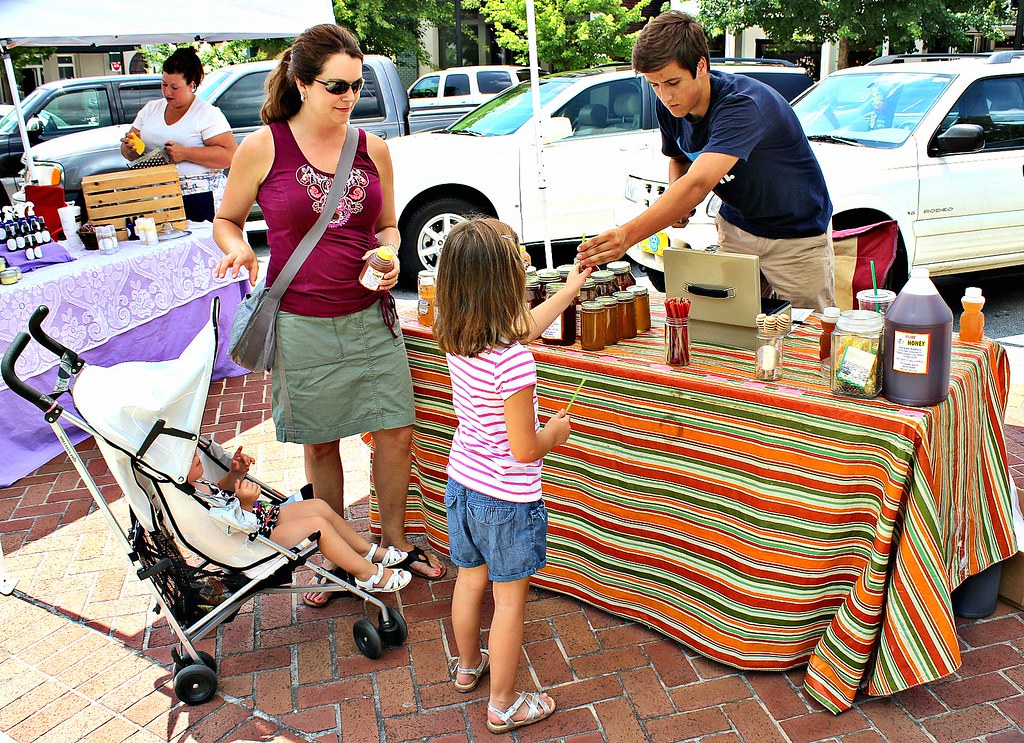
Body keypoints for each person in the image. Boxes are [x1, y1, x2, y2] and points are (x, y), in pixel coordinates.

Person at [213, 24, 446, 608]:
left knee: (394, 431)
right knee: (321, 445)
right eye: (335, 86)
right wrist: (238, 248)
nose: (348, 98)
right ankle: (339, 555)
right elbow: (227, 220)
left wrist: (390, 254)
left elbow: (389, 224)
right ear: (300, 83)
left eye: (356, 87)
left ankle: (393, 542)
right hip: (301, 321)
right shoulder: (263, 146)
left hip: (371, 315)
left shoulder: (373, 149)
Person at [434, 218, 590, 734]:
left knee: (469, 581)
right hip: (508, 498)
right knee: (508, 603)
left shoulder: (459, 337)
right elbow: (525, 449)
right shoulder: (515, 362)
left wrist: (568, 291)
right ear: (505, 285)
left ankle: (468, 668)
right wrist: (556, 432)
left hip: (464, 485)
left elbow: (525, 325)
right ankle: (503, 704)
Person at [577, 11, 836, 311]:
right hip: (738, 227)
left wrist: (625, 236)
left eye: (673, 82)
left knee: (808, 336)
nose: (665, 95)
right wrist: (679, 201)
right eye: (654, 85)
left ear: (701, 65)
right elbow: (678, 159)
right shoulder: (671, 107)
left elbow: (698, 183)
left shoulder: (743, 105)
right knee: (732, 323)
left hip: (796, 238)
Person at [189, 446, 412, 593]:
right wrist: (247, 504)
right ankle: (367, 575)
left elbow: (223, 493)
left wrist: (236, 475)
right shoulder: (190, 500)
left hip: (260, 520)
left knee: (319, 506)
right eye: (189, 460)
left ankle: (366, 551)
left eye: (194, 454)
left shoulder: (197, 485)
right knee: (318, 526)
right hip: (251, 539)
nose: (197, 458)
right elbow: (232, 526)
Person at [120, 47, 237, 222]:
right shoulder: (151, 108)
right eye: (164, 84)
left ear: (191, 85)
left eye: (175, 87)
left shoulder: (207, 113)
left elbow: (229, 155)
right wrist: (130, 148)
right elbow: (128, 152)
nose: (167, 92)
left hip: (200, 198)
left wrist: (185, 153)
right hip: (155, 197)